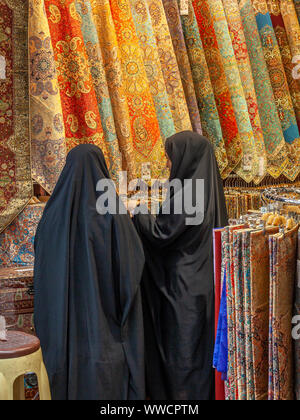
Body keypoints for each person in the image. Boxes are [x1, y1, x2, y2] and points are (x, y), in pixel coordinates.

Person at [34, 144, 145, 400]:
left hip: (61, 329)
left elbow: (42, 269)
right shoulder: (113, 213)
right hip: (105, 327)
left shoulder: (51, 216)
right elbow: (133, 262)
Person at [133, 131, 228, 400]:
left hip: (183, 288)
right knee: (200, 349)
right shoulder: (209, 189)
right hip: (205, 282)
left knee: (183, 352)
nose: (169, 167)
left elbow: (162, 233)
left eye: (171, 160)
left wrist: (138, 211)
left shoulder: (190, 195)